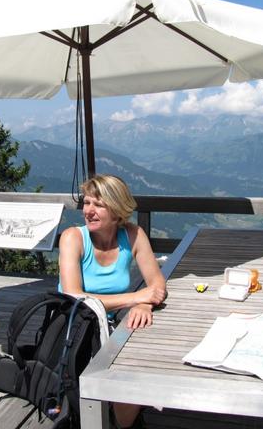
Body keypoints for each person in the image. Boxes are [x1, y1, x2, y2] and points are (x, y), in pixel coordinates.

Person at [58, 174, 167, 428]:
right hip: (76, 326)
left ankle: (122, 421)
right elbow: (74, 297)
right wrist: (135, 298)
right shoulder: (73, 238)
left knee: (142, 360)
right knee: (124, 372)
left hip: (112, 324)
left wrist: (144, 304)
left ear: (117, 212)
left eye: (99, 205)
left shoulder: (132, 235)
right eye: (87, 203)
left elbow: (157, 284)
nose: (89, 211)